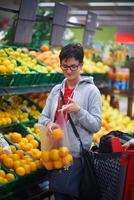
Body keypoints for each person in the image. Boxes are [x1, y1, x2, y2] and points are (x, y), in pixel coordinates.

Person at [38, 43, 102, 200]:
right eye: (64, 66)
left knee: (67, 195)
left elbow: (96, 124)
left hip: (75, 156)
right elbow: (43, 117)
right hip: (54, 153)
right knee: (58, 193)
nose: (68, 71)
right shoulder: (56, 90)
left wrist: (79, 111)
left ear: (81, 65)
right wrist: (49, 124)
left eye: (73, 67)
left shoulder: (91, 91)